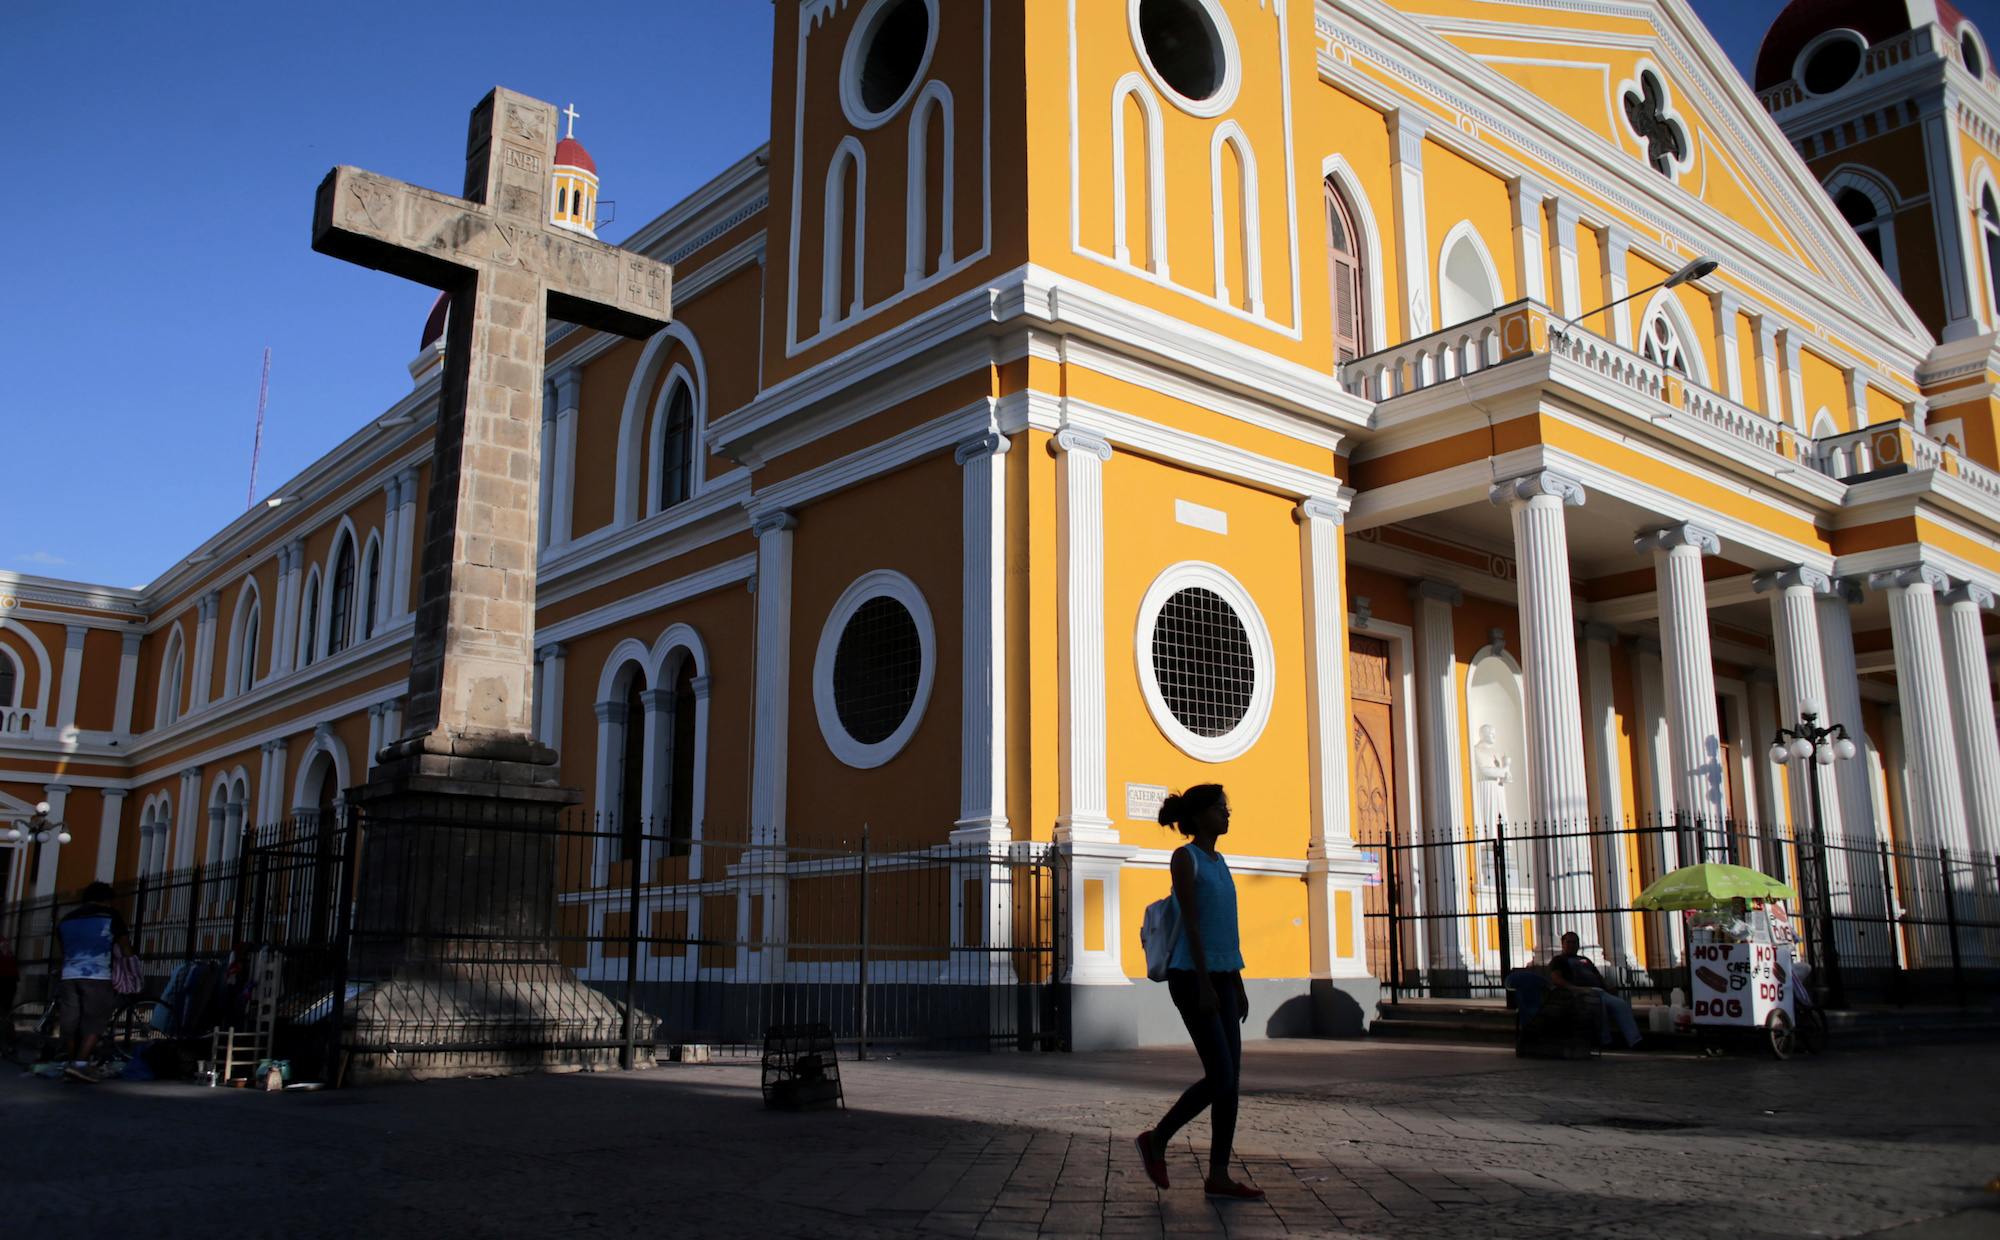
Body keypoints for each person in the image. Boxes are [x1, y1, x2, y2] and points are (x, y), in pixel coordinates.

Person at [1133, 785, 1264, 1201]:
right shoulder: (1184, 858)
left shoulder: (1221, 861)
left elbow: (1226, 929)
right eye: (1220, 809)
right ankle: (1156, 1139)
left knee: (1232, 1082)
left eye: (1227, 808)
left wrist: (1236, 984)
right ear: (1199, 815)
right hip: (1193, 977)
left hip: (1223, 977)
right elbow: (1192, 924)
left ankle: (1219, 1175)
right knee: (1220, 1075)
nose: (1227, 814)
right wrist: (1206, 984)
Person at [53, 881, 132, 1082]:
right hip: (96, 975)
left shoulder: (67, 919)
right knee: (96, 1018)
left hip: (69, 974)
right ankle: (80, 1064)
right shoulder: (109, 915)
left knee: (70, 1021)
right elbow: (125, 946)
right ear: (106, 899)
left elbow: (63, 949)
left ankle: (72, 1064)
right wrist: (130, 966)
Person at [1549, 930, 1642, 1049]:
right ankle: (1605, 1041)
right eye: (1569, 942)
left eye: (1575, 942)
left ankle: (1635, 1041)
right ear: (1563, 944)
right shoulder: (1558, 960)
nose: (1572, 945)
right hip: (1579, 994)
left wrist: (1608, 987)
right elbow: (1557, 979)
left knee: (1621, 1005)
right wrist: (1575, 989)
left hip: (1598, 991)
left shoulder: (1585, 960)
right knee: (1599, 1005)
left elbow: (1598, 976)